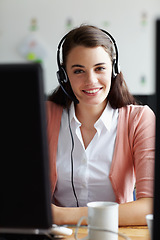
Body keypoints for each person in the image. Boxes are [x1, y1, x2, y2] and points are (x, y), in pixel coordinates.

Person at [46, 24, 155, 226]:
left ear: (114, 69)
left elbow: (149, 206)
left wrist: (61, 216)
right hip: (55, 235)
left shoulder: (139, 119)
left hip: (115, 234)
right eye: (78, 71)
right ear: (64, 76)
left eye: (100, 68)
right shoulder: (45, 116)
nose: (91, 80)